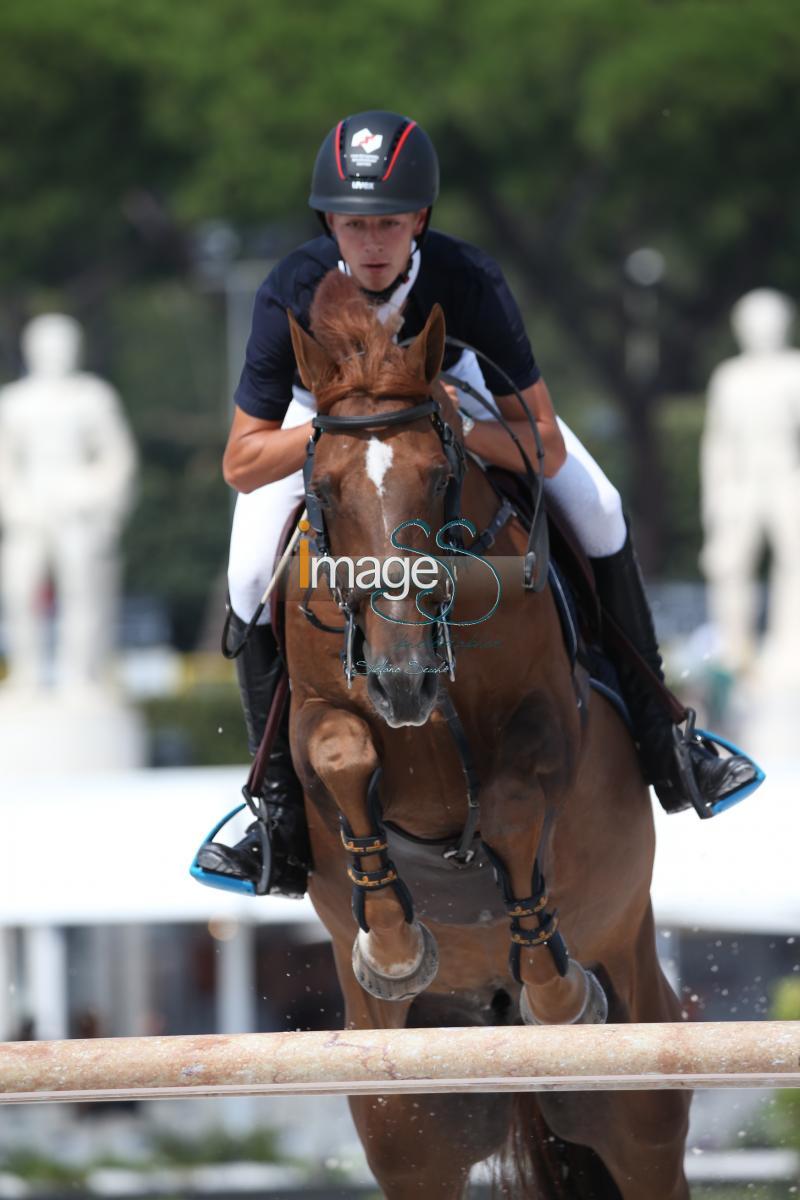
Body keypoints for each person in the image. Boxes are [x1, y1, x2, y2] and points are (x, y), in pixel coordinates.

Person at [195, 110, 758, 897]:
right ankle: (277, 814)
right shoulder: (289, 287)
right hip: (325, 426)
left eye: (389, 223)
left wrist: (448, 425)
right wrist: (339, 432)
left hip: (453, 412)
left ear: (419, 218)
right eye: (354, 225)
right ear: (330, 221)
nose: (373, 243)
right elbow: (242, 460)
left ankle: (666, 738)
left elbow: (545, 440)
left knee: (599, 506)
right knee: (252, 572)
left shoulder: (467, 279)